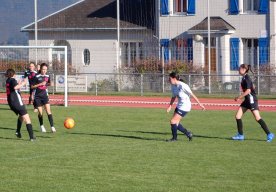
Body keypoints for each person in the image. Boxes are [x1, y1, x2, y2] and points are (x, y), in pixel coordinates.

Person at [232, 64, 274, 142]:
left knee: (257, 118)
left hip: (251, 101)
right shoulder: (244, 78)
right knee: (238, 116)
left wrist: (239, 97)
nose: (238, 69)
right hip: (247, 100)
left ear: (244, 69)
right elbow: (251, 87)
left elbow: (248, 91)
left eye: (240, 68)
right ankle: (240, 135)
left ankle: (269, 134)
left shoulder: (246, 78)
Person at [166, 72, 205, 142]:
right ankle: (188, 134)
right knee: (176, 123)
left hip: (185, 106)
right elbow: (173, 97)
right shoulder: (173, 86)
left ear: (174, 78)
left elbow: (192, 94)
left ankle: (174, 138)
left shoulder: (183, 85)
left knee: (172, 121)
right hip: (179, 105)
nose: (168, 80)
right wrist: (170, 106)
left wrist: (200, 104)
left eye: (169, 78)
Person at [5, 69, 36, 141]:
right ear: (13, 74)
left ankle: (18, 131)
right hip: (17, 102)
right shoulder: (12, 80)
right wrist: (23, 84)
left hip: (11, 103)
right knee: (27, 118)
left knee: (21, 116)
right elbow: (15, 87)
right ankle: (32, 137)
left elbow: (14, 88)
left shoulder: (8, 80)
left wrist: (21, 81)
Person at [31, 63, 56, 133]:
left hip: (45, 95)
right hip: (37, 97)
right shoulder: (36, 76)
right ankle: (42, 126)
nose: (44, 71)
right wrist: (40, 84)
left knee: (48, 111)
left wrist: (50, 84)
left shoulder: (48, 76)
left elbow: (48, 83)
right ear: (40, 69)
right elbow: (32, 86)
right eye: (43, 69)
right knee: (40, 112)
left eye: (46, 69)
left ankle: (52, 127)